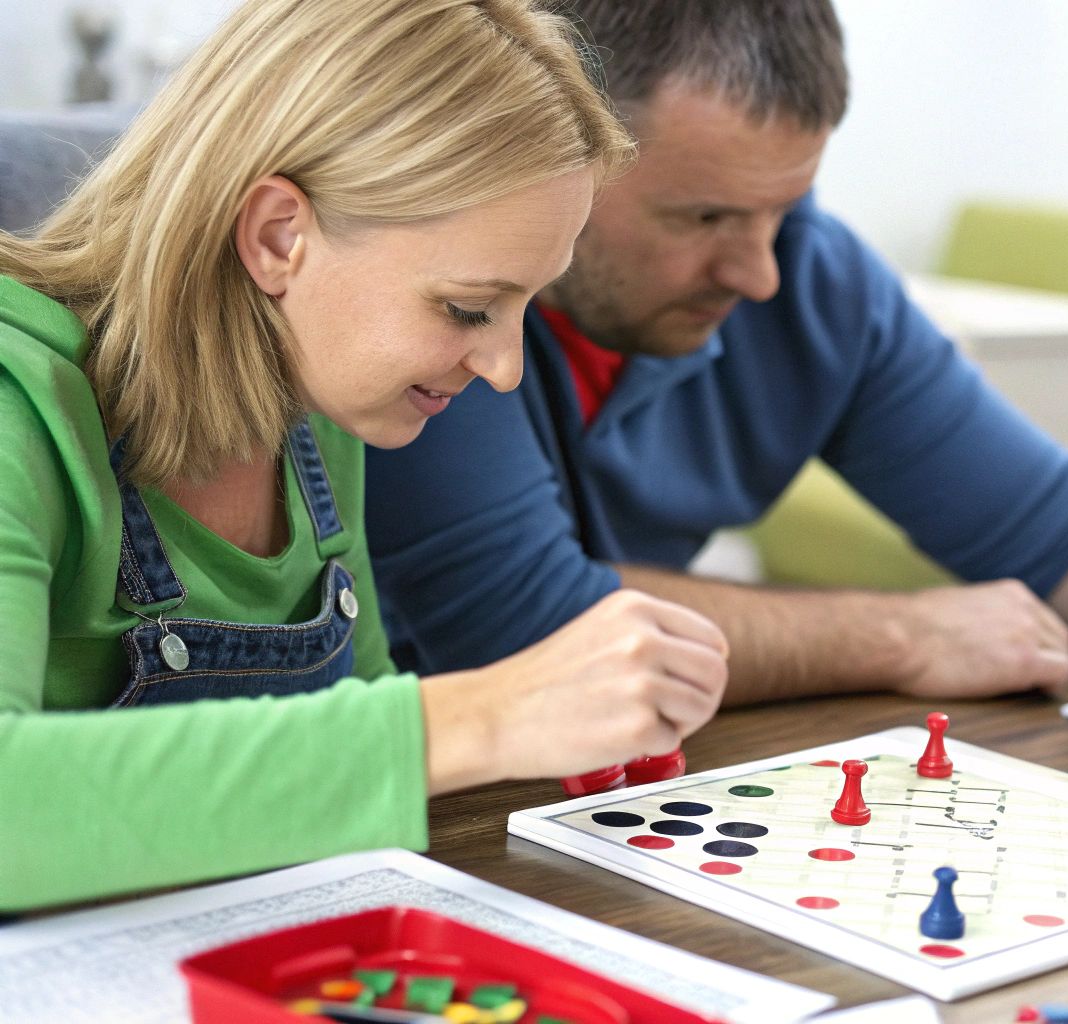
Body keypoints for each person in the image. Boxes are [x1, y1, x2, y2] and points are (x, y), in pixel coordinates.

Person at [365, 0, 1068, 759]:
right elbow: (519, 621)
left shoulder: (809, 280)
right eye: (704, 215)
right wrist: (898, 633)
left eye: (784, 207)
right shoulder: (440, 302)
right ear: (550, 156)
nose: (758, 270)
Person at [0, 0, 730, 912]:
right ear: (278, 236)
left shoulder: (319, 418)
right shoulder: (13, 401)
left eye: (524, 310)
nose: (504, 371)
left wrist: (557, 727)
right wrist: (487, 717)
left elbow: (356, 733)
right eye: (468, 308)